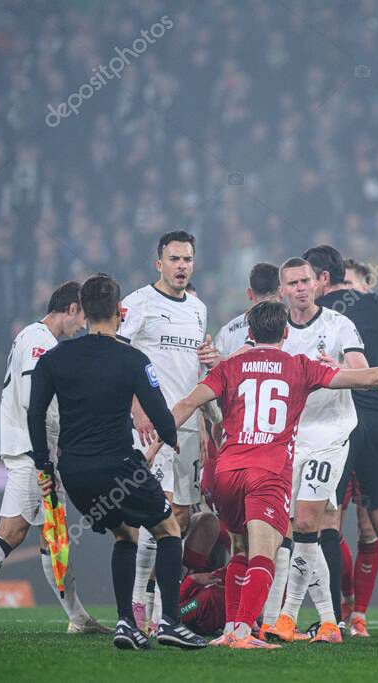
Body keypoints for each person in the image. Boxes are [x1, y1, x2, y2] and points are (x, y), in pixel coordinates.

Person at [168, 300, 378, 649]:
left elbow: (187, 403)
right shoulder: (299, 366)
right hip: (267, 471)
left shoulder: (230, 367)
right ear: (286, 333)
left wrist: (156, 439)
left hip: (227, 470)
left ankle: (231, 627)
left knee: (240, 549)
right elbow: (369, 377)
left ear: (249, 333)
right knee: (265, 553)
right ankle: (244, 633)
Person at [27, 273, 206, 651]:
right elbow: (161, 417)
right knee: (169, 530)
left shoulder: (53, 360)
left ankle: (126, 623)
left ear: (85, 312)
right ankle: (170, 622)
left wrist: (45, 466)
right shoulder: (133, 360)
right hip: (120, 467)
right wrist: (168, 443)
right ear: (120, 312)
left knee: (125, 533)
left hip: (75, 472)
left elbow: (36, 415)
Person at [0, 282, 107, 637]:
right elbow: (36, 401)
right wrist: (43, 457)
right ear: (73, 308)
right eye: (82, 318)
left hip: (39, 451)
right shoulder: (38, 342)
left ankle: (78, 618)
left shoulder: (33, 338)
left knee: (54, 537)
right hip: (32, 453)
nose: (83, 327)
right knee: (13, 529)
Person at [307, 245, 378, 638]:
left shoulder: (315, 313)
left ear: (323, 278)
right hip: (374, 418)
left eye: (308, 278)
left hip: (335, 418)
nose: (305, 286)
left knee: (328, 519)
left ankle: (332, 619)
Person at [257, 257, 367, 644]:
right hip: (291, 440)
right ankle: (326, 621)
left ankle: (286, 617)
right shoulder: (274, 330)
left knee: (306, 523)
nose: (301, 288)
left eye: (306, 281)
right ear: (282, 290)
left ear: (318, 284)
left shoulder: (339, 324)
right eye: (293, 283)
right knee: (297, 528)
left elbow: (361, 368)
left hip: (330, 438)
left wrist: (335, 366)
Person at [119, 230, 220, 629]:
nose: (181, 266)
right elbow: (119, 359)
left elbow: (192, 365)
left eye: (187, 259)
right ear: (158, 263)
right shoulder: (137, 304)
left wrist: (208, 359)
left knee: (179, 515)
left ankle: (164, 608)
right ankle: (140, 605)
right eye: (174, 259)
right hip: (152, 426)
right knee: (156, 511)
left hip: (189, 426)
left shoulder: (198, 308)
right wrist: (137, 407)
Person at [215, 262, 280, 358]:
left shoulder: (228, 330)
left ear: (250, 293)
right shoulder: (290, 328)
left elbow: (212, 368)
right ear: (281, 292)